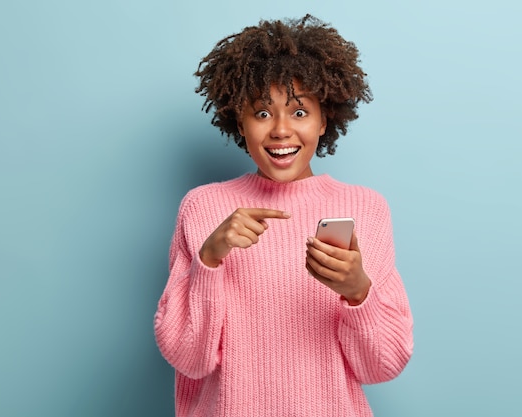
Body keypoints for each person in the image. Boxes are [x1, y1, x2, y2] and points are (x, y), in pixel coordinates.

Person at [154, 15, 413, 417]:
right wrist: (209, 260)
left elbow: (383, 364)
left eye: (298, 112)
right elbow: (188, 359)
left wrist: (358, 291)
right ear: (238, 121)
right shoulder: (202, 207)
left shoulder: (365, 208)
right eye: (261, 113)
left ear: (324, 119)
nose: (279, 130)